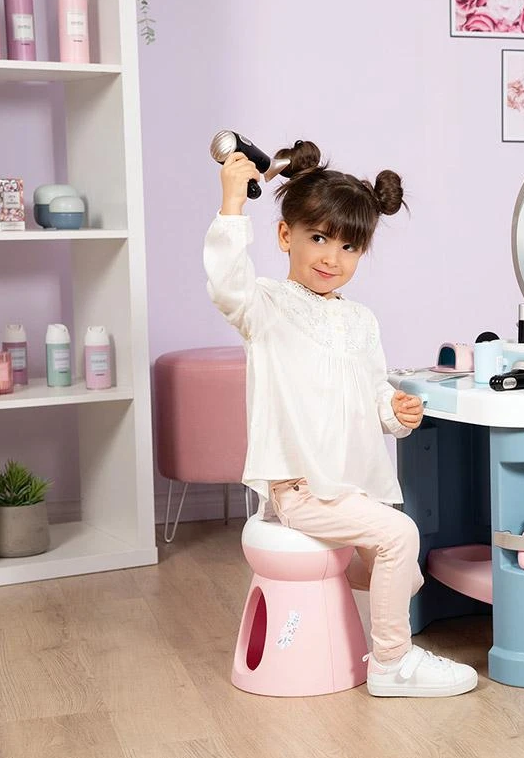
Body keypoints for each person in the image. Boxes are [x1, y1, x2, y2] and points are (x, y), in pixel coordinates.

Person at [204, 140, 478, 697]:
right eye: (319, 238)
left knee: (407, 570)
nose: (332, 257)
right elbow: (227, 284)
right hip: (300, 488)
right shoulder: (266, 307)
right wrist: (232, 204)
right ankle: (392, 663)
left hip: (349, 488)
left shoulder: (361, 321)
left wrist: (396, 412)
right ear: (286, 236)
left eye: (349, 246)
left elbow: (373, 394)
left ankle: (351, 592)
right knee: (401, 535)